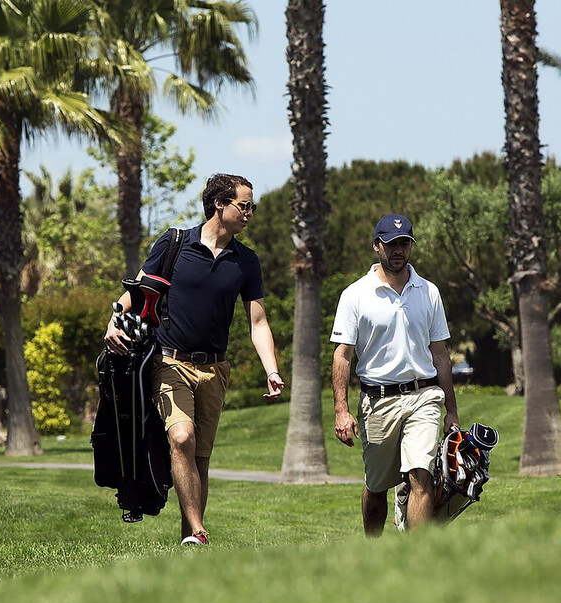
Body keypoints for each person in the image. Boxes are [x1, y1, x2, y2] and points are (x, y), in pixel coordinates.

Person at [104, 173, 285, 546]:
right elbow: (137, 291)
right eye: (244, 205)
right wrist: (113, 322)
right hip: (169, 362)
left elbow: (258, 322)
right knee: (182, 437)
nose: (250, 213)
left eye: (252, 206)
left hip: (215, 369)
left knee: (200, 458)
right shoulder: (175, 244)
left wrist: (272, 370)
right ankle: (200, 530)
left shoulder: (246, 261)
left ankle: (190, 540)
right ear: (220, 203)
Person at [330, 213, 460, 536]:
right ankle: (375, 552)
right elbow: (343, 355)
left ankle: (416, 558)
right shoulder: (355, 295)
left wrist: (451, 411)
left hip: (423, 396)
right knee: (377, 487)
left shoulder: (428, 292)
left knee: (421, 476)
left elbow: (440, 355)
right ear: (377, 246)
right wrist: (341, 410)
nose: (398, 250)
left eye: (404, 243)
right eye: (391, 244)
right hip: (378, 401)